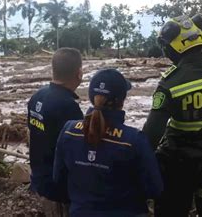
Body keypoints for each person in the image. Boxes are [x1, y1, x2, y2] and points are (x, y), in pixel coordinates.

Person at [143, 14, 202, 217]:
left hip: (178, 168)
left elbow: (150, 137)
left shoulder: (170, 85)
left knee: (171, 210)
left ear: (174, 47)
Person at [53, 69, 163, 217]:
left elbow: (58, 180)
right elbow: (154, 189)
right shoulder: (134, 140)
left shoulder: (68, 130)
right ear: (121, 101)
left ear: (92, 97)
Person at [27, 47, 84, 216]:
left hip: (40, 180)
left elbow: (31, 135)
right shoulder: (68, 107)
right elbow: (77, 151)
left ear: (53, 70)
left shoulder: (37, 96)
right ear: (79, 73)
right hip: (60, 188)